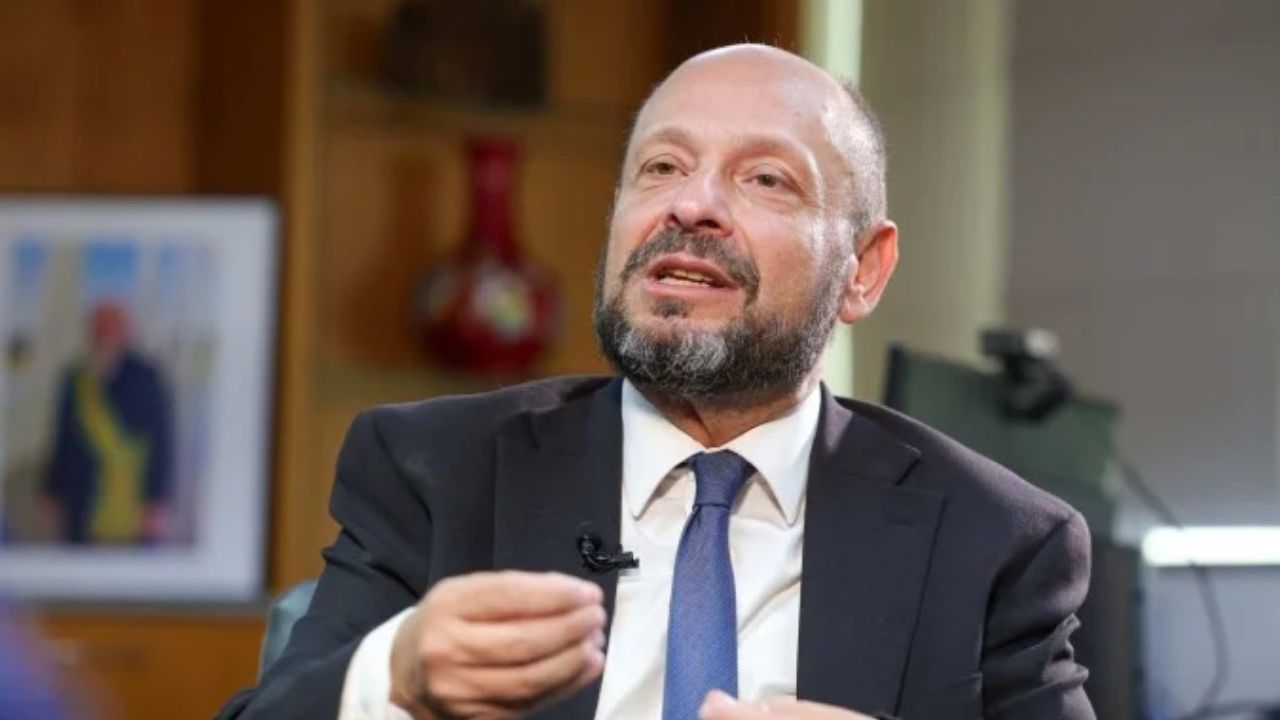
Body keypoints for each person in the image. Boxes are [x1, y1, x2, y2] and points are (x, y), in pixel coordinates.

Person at [218, 44, 1094, 720]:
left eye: (765, 179)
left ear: (864, 271)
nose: (691, 204)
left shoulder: (993, 540)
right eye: (662, 167)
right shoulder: (437, 469)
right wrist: (393, 678)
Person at [42, 299, 172, 544]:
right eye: (99, 327)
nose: (105, 335)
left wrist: (157, 500)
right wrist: (50, 489)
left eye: (112, 327)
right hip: (81, 498)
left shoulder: (147, 377)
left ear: (126, 332)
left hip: (133, 498)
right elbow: (61, 439)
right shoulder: (74, 378)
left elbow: (162, 441)